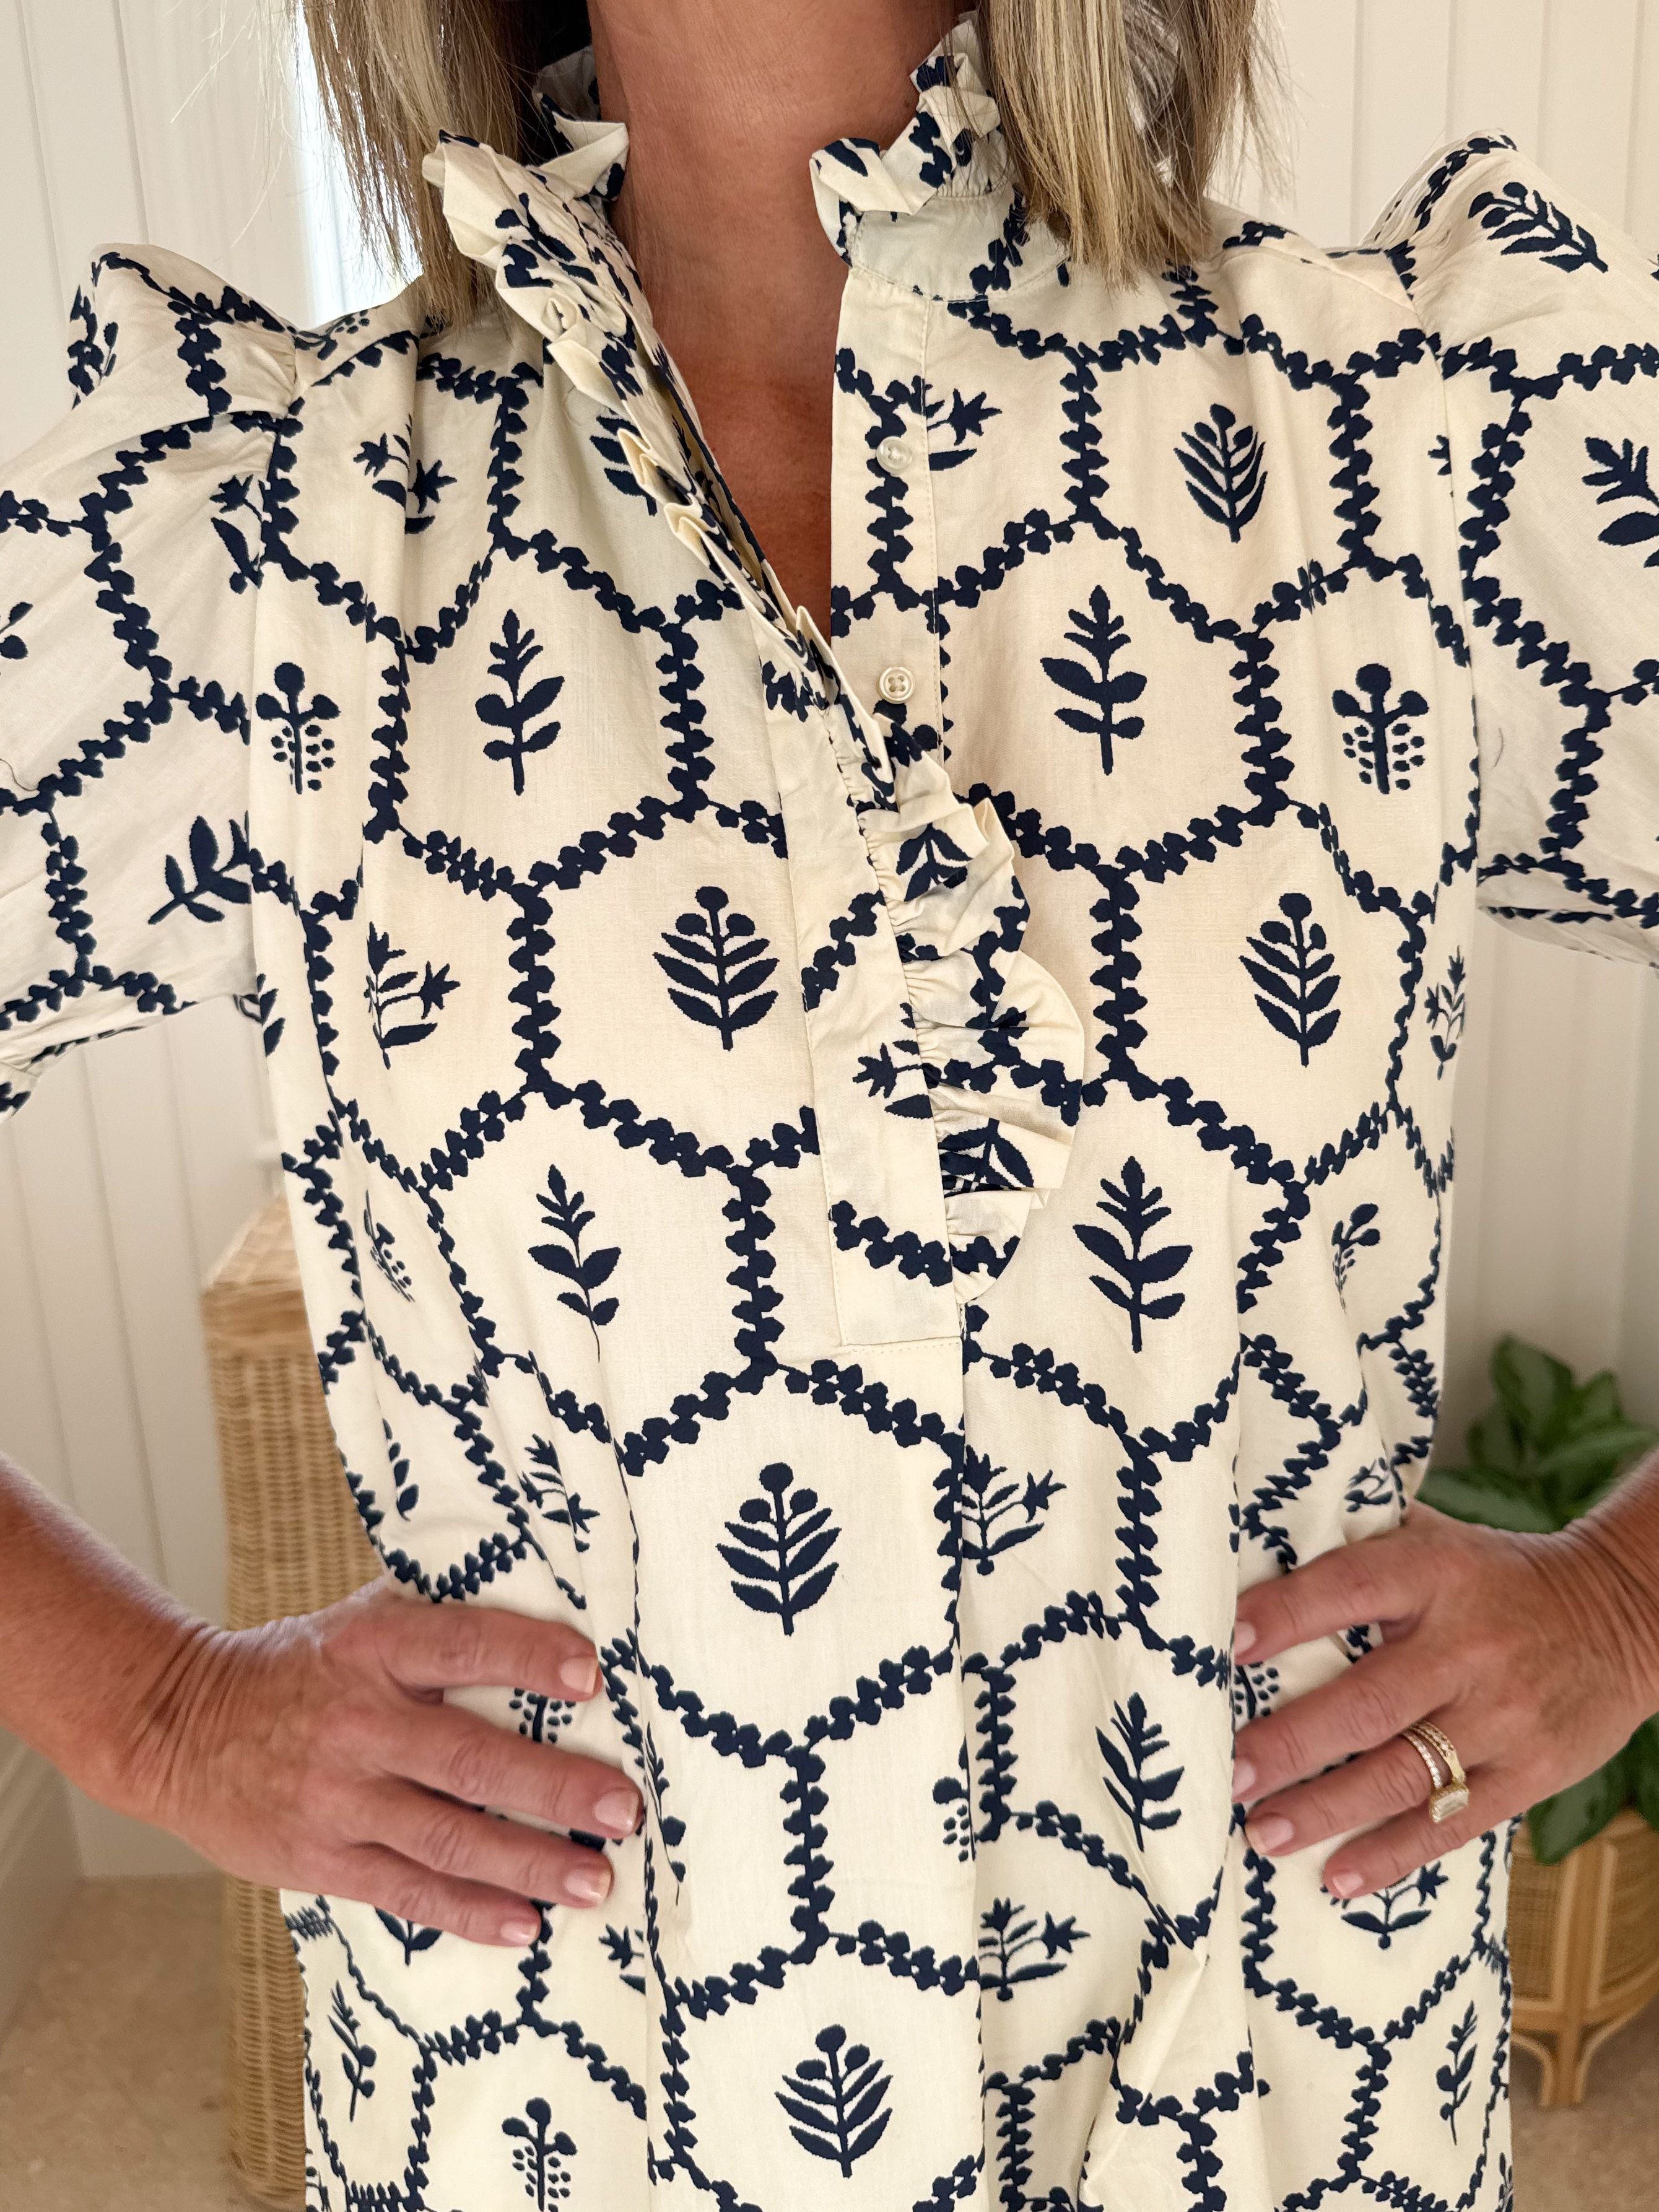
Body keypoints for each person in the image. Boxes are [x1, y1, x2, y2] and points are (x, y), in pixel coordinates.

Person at [2, 0, 1657, 2203]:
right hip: (569, 2107)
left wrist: (1626, 1603)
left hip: (1274, 2094)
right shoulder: (267, 534)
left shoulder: (1414, 431)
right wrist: (150, 1711)